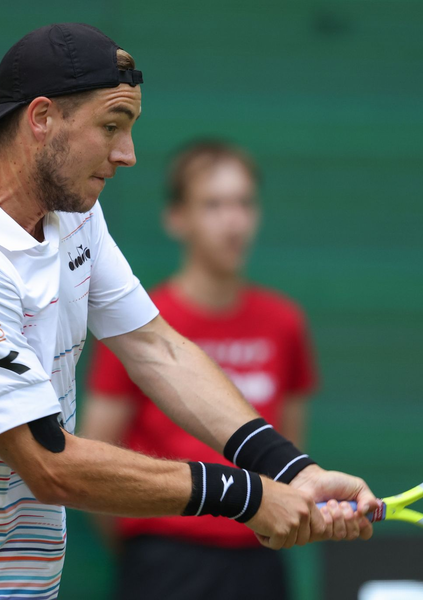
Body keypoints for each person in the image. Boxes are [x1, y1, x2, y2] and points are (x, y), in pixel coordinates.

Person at [0, 23, 377, 600]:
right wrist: (247, 496)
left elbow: (156, 349)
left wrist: (290, 470)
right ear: (42, 118)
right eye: (111, 126)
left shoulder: (72, 210)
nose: (127, 154)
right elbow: (50, 464)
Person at [83, 140, 319, 600]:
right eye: (213, 205)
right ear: (177, 217)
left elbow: (291, 445)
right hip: (165, 560)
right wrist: (148, 546)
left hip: (259, 558)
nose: (233, 222)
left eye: (244, 203)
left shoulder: (283, 321)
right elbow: (96, 451)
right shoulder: (139, 325)